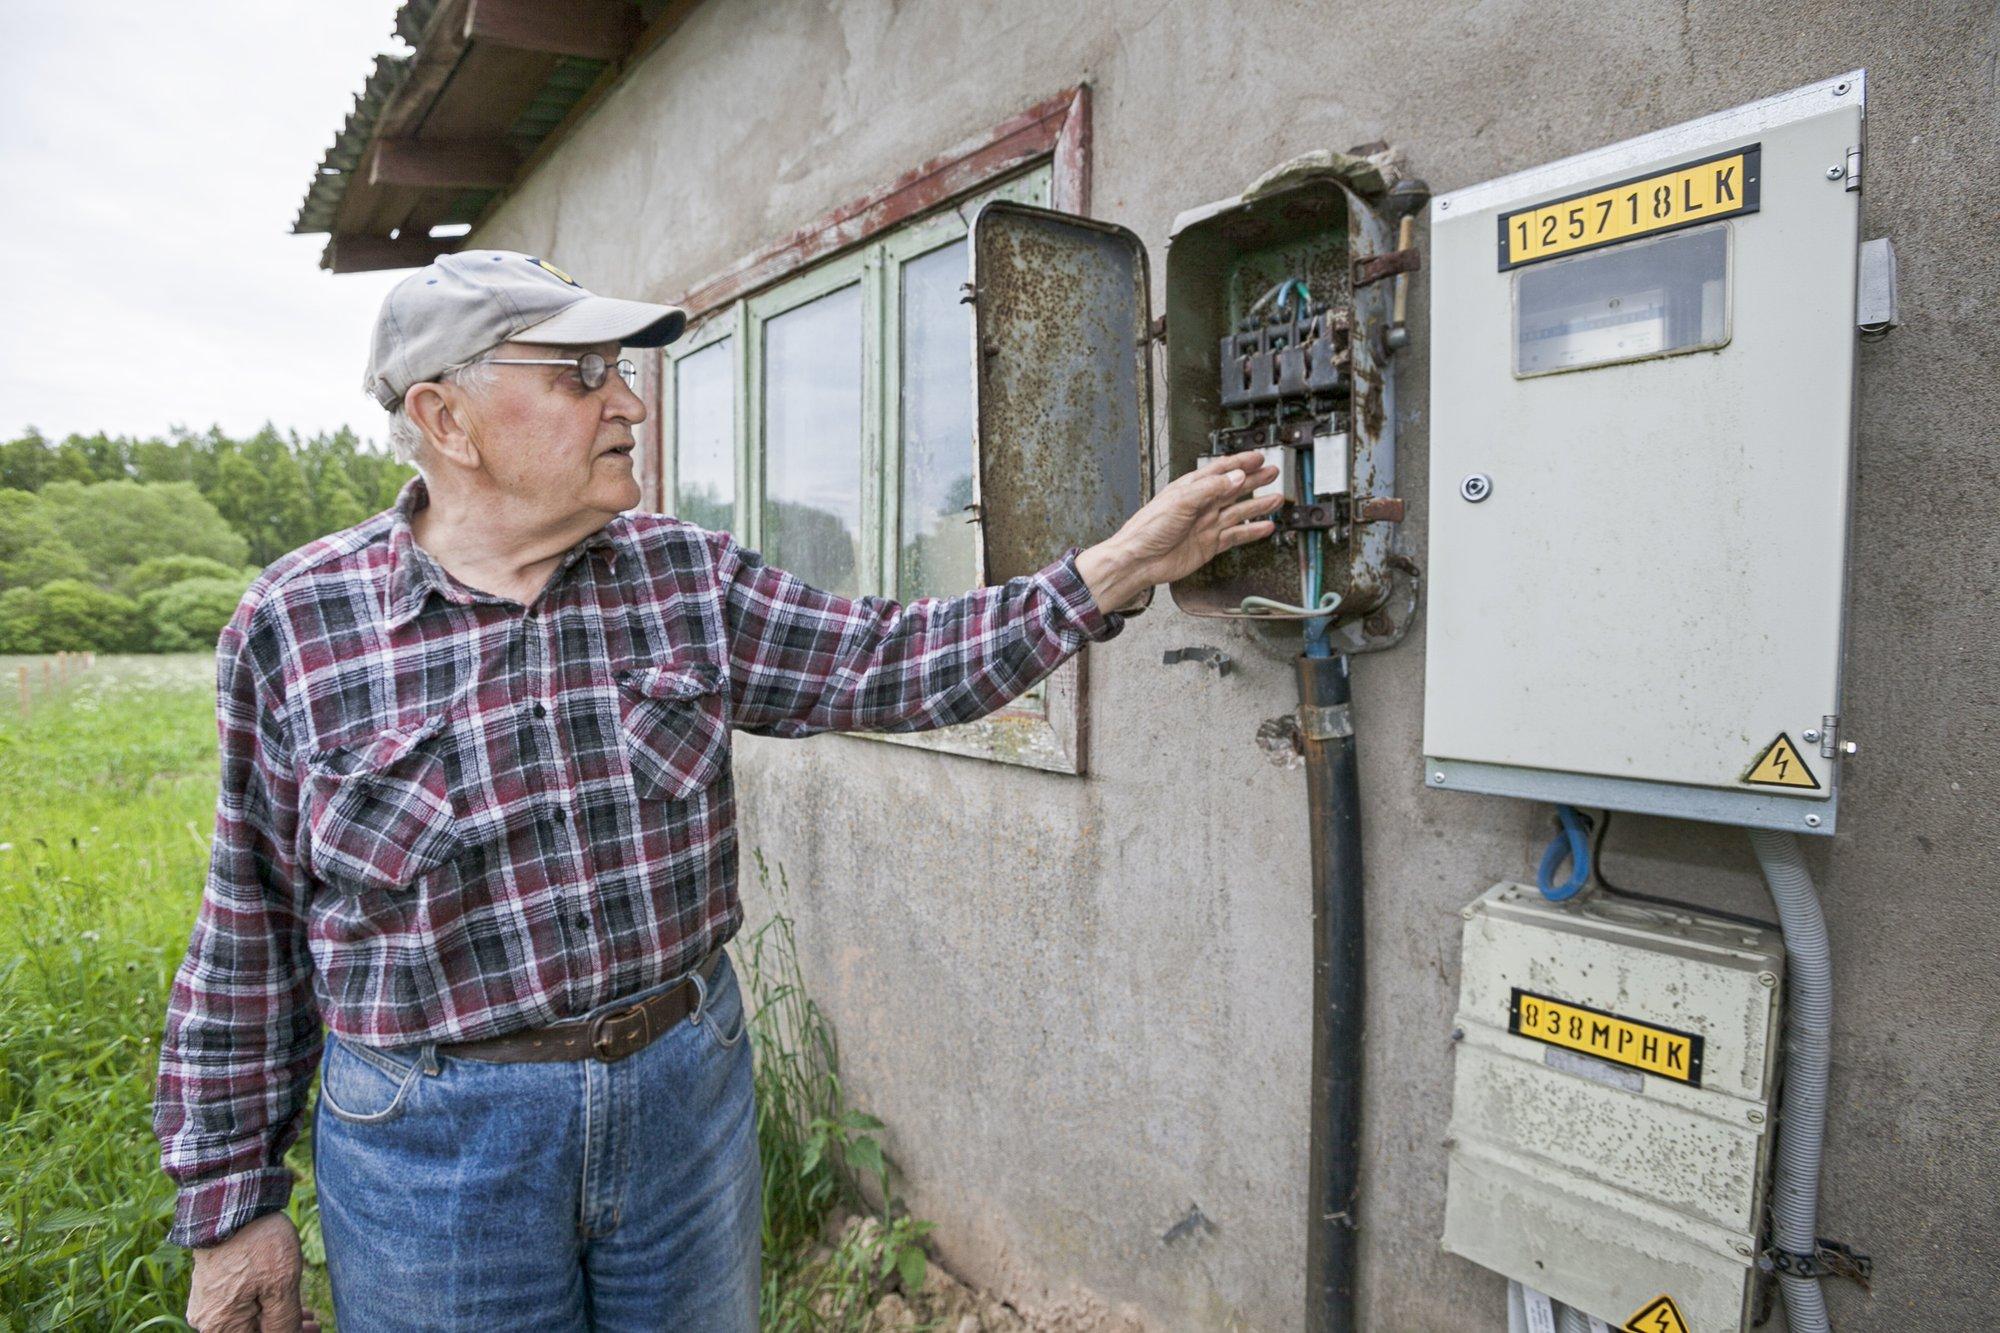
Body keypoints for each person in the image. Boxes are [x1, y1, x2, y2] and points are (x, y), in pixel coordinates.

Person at [153, 249, 1283, 1331]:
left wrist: (1120, 563)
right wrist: (229, 1203)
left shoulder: (683, 576)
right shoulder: (298, 623)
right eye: (583, 377)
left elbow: (891, 661)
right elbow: (246, 922)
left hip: (680, 1099)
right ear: (448, 420)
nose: (630, 406)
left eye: (624, 375)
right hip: (436, 1143)